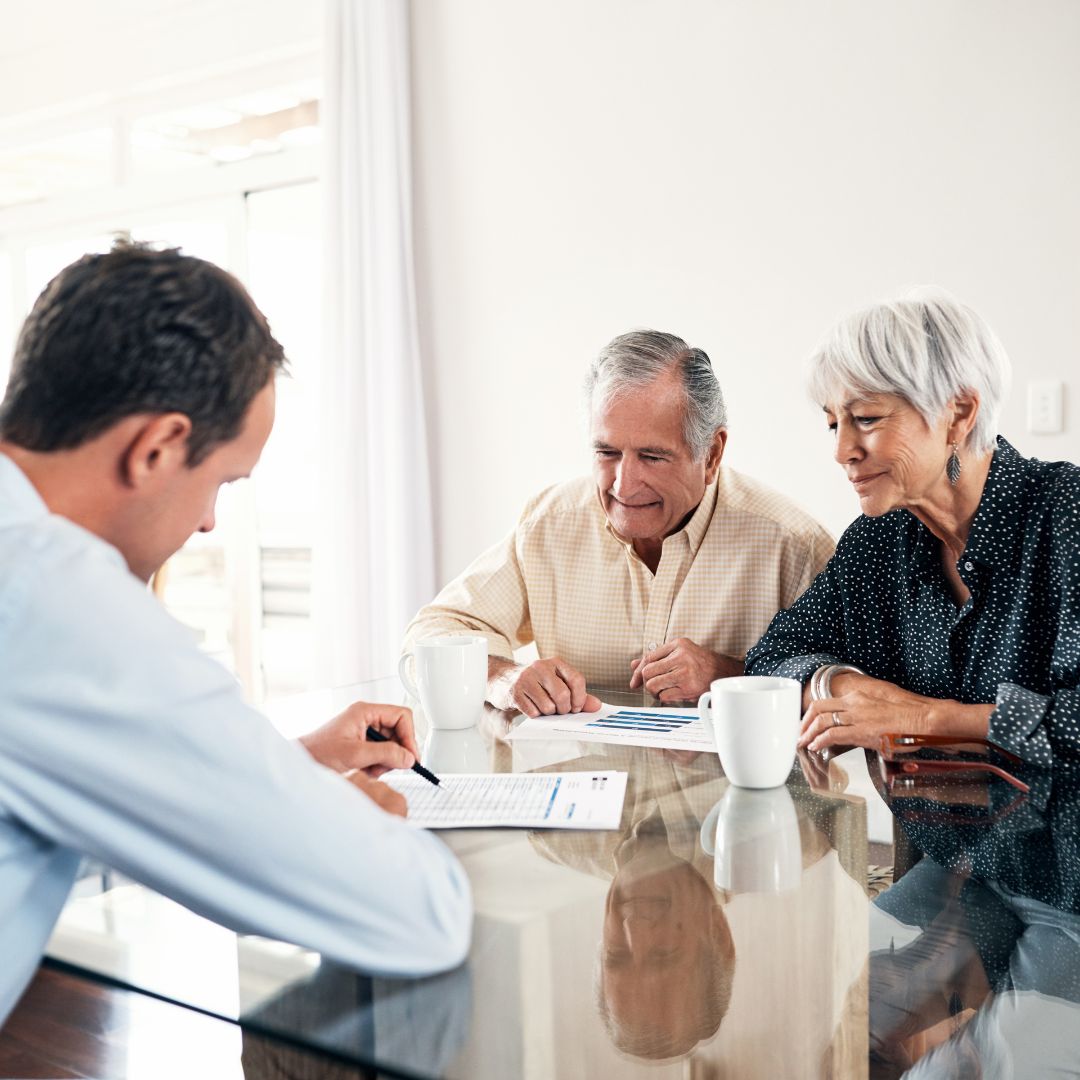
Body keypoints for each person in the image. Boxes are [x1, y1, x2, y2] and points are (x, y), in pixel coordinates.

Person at [0, 243, 471, 1026]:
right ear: (155, 448)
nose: (209, 520)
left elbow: (55, 793)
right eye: (219, 481)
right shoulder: (50, 596)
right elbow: (419, 913)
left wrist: (284, 772)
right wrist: (341, 819)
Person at [402, 330, 834, 717]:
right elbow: (431, 635)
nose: (623, 485)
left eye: (652, 456)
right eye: (606, 453)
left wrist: (732, 675)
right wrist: (504, 678)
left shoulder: (792, 544)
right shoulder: (551, 524)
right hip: (587, 799)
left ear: (713, 454)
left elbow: (852, 686)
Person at [745, 288, 1080, 765]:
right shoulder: (878, 540)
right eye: (833, 425)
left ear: (958, 414)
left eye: (866, 417)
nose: (842, 451)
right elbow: (774, 654)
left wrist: (925, 720)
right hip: (935, 836)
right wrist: (847, 689)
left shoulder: (1066, 513)